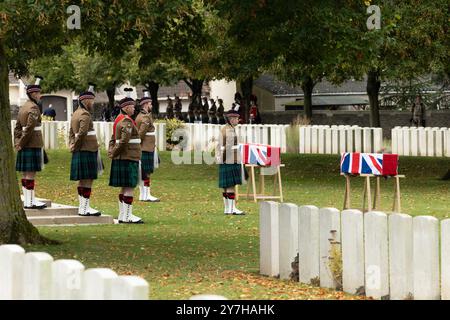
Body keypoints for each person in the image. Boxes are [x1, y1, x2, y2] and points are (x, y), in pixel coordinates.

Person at [108, 88, 144, 224]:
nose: (134, 109)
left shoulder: (118, 119)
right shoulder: (127, 121)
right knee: (129, 186)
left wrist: (112, 151)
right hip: (128, 156)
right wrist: (114, 152)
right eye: (133, 107)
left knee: (124, 187)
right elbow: (123, 141)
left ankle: (123, 215)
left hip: (122, 157)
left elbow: (113, 138)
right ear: (127, 107)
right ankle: (128, 216)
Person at [14, 76, 47, 209]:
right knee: (31, 173)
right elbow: (29, 129)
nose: (40, 95)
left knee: (25, 173)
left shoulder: (23, 107)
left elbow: (17, 127)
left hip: (24, 143)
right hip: (32, 143)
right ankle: (30, 201)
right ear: (33, 94)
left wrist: (17, 141)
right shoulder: (33, 108)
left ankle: (29, 200)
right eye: (38, 93)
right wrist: (21, 142)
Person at [69, 84, 102, 216]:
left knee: (82, 179)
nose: (93, 103)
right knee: (88, 179)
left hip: (80, 149)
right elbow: (82, 133)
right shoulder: (85, 114)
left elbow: (71, 132)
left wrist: (71, 144)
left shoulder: (75, 113)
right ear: (86, 101)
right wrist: (75, 145)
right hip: (87, 149)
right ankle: (85, 208)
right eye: (92, 101)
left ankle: (82, 207)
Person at [217, 110, 245, 215]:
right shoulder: (230, 131)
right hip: (230, 160)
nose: (238, 120)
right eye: (237, 118)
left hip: (225, 160)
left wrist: (220, 158)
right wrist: (224, 159)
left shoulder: (224, 129)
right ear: (231, 119)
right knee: (231, 185)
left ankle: (227, 208)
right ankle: (232, 209)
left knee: (225, 186)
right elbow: (228, 147)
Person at [135, 90, 160, 202]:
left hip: (146, 147)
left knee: (144, 172)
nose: (151, 105)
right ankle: (146, 195)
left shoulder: (141, 116)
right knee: (146, 172)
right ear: (145, 105)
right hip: (146, 147)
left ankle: (143, 195)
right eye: (150, 104)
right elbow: (141, 134)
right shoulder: (145, 118)